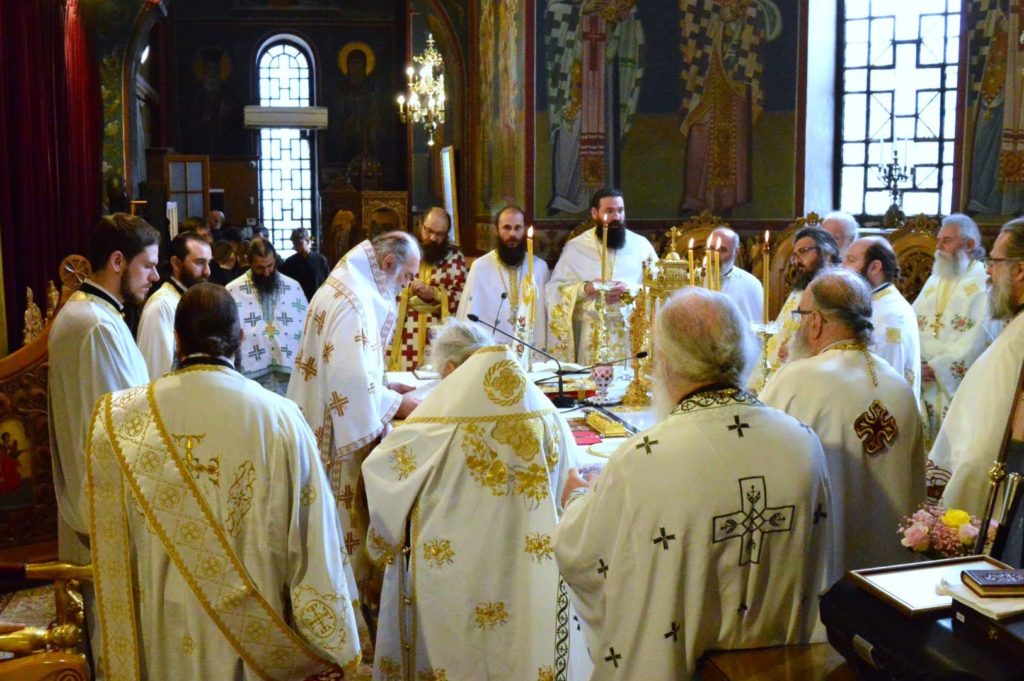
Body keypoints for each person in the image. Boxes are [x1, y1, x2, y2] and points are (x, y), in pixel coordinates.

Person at [85, 283, 361, 679]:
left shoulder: (119, 419)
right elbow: (314, 541)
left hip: (159, 638)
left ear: (177, 340)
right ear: (241, 339)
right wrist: (331, 643)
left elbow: (104, 538)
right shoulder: (282, 418)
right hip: (251, 652)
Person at [554, 288, 833, 679]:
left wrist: (578, 498)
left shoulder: (647, 456)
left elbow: (584, 555)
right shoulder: (803, 442)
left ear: (665, 361)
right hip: (784, 668)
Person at [363, 320, 587, 680]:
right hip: (529, 574)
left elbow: (383, 477)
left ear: (451, 369)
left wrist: (379, 546)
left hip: (455, 575)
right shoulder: (545, 412)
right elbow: (568, 482)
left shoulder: (435, 423)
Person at [287, 231, 421, 620]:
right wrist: (397, 402)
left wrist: (382, 385)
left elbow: (353, 371)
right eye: (407, 276)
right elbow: (347, 384)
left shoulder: (352, 285)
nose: (409, 284)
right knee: (340, 531)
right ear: (387, 265)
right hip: (334, 443)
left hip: (322, 421)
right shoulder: (352, 302)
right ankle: (344, 618)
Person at [761, 269, 924, 573]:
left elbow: (762, 461)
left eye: (801, 315)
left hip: (823, 570)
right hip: (889, 578)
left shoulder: (797, 378)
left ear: (816, 321)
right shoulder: (898, 385)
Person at [48, 212, 160, 565]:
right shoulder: (96, 324)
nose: (155, 277)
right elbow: (124, 423)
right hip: (106, 508)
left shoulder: (93, 313)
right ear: (117, 261)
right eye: (148, 266)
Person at [930, 219, 1024, 516]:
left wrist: (958, 507)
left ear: (1020, 270)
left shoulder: (1015, 342)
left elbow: (982, 448)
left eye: (995, 262)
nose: (988, 271)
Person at [545, 188, 658, 364]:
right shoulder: (576, 247)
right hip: (591, 337)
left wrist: (630, 290)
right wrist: (585, 288)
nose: (617, 217)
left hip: (628, 336)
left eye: (620, 210)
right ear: (594, 213)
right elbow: (554, 290)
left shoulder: (641, 246)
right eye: (610, 211)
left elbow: (659, 290)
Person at [913, 214, 995, 449]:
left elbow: (983, 335)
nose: (938, 247)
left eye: (946, 240)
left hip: (952, 383)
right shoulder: (936, 278)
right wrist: (915, 362)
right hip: (922, 379)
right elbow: (911, 320)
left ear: (969, 244)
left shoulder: (984, 281)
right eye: (939, 240)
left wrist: (939, 367)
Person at [457, 205, 550, 365]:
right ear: (496, 230)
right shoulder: (481, 267)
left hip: (530, 356)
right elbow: (469, 314)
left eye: (517, 228)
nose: (512, 234)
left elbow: (547, 317)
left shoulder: (539, 267)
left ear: (525, 230)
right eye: (506, 228)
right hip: (491, 356)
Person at [755, 227, 840, 388]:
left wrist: (798, 351)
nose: (797, 260)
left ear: (827, 253)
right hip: (782, 370)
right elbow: (794, 321)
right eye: (795, 255)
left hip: (809, 376)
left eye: (804, 251)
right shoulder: (800, 288)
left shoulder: (836, 291)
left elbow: (837, 340)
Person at [386, 207, 467, 371]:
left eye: (439, 234)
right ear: (420, 225)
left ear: (446, 234)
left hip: (437, 335)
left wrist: (435, 294)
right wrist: (408, 291)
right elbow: (385, 287)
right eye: (428, 231)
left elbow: (463, 299)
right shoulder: (402, 253)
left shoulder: (455, 259)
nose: (432, 238)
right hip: (403, 334)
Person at [842, 237, 921, 399]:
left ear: (875, 267)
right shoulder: (871, 301)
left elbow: (880, 381)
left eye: (851, 260)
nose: (842, 268)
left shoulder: (889, 316)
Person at [226, 238, 306, 396]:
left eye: (270, 265)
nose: (267, 272)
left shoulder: (293, 287)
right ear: (249, 263)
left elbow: (305, 326)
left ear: (275, 260)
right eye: (260, 268)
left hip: (287, 377)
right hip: (250, 379)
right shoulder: (233, 290)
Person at [137, 231, 211, 379]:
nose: (207, 272)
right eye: (199, 263)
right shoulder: (161, 306)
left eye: (209, 263)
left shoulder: (190, 300)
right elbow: (157, 372)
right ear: (176, 263)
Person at [710, 225, 763, 324]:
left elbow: (754, 329)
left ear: (736, 252)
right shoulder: (695, 277)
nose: (714, 256)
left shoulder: (750, 284)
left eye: (722, 250)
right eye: (711, 249)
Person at [280, 227, 330, 302]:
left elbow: (327, 283)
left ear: (307, 241)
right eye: (294, 244)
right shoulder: (289, 263)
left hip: (316, 301)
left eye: (299, 243)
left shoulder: (321, 260)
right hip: (296, 302)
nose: (297, 247)